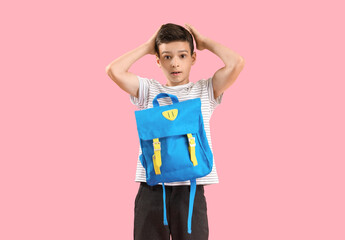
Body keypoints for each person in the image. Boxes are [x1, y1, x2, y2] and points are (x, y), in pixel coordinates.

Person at [105, 23, 245, 240]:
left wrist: (205, 42)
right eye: (167, 57)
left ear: (193, 58)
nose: (175, 63)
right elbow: (113, 70)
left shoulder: (205, 90)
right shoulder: (149, 90)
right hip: (151, 188)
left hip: (191, 190)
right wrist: (146, 46)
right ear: (158, 61)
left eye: (182, 55)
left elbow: (237, 63)